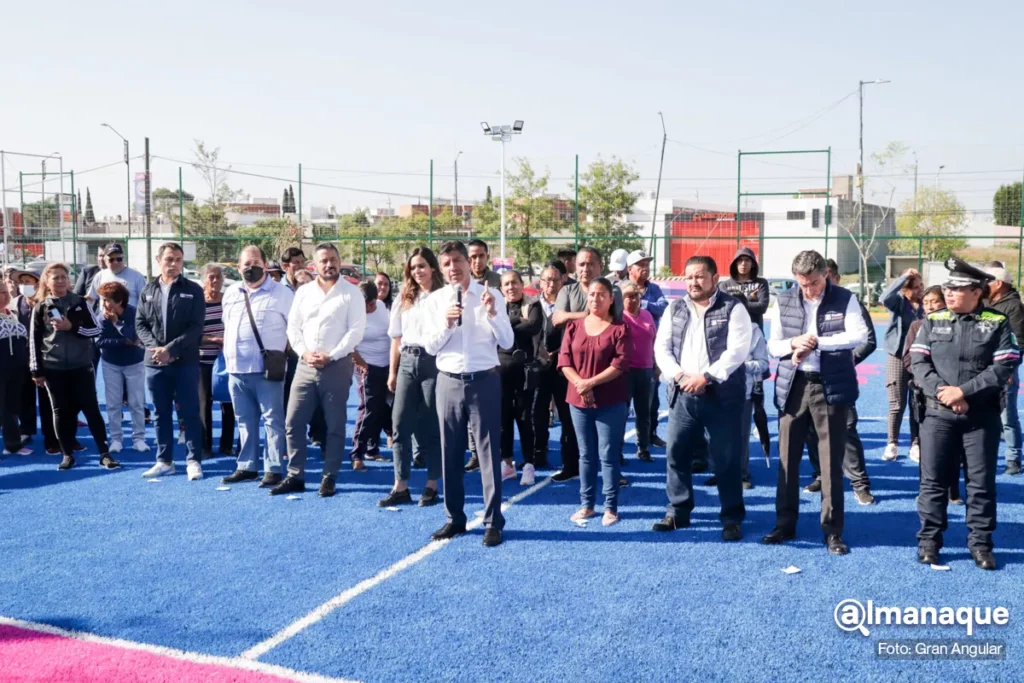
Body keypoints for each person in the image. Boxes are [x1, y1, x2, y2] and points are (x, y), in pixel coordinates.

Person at [909, 258, 1019, 570]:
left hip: (981, 417)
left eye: (957, 289)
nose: (950, 294)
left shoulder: (997, 322)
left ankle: (981, 545)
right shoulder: (933, 320)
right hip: (937, 415)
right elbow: (918, 363)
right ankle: (929, 542)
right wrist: (945, 392)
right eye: (947, 288)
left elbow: (1004, 366)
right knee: (932, 483)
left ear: (976, 292)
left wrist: (964, 391)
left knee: (981, 484)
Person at [763, 250, 868, 555]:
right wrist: (795, 343)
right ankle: (785, 524)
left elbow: (857, 335)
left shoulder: (845, 298)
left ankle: (833, 531)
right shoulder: (783, 300)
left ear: (826, 274)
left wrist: (817, 341)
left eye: (813, 282)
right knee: (787, 461)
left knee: (830, 463)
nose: (808, 289)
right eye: (802, 283)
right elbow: (774, 345)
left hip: (830, 387)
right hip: (794, 385)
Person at [651, 256, 752, 539]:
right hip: (683, 394)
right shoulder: (676, 307)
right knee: (677, 454)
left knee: (726, 460)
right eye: (689, 277)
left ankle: (731, 517)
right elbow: (662, 348)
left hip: (722, 395)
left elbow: (737, 351)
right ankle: (678, 512)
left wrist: (706, 377)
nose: (694, 282)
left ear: (714, 278)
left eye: (700, 276)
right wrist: (680, 377)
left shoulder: (733, 308)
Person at [422, 240, 514, 547]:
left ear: (468, 262)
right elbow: (431, 347)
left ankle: (492, 521)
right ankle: (455, 518)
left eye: (457, 261)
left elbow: (507, 340)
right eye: (446, 263)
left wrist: (491, 314)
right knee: (450, 452)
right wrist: (447, 323)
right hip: (448, 381)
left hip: (484, 381)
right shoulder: (434, 302)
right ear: (441, 268)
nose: (453, 268)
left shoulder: (492, 295)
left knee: (488, 454)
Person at [275, 242, 365, 498]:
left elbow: (355, 332)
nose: (329, 264)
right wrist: (304, 352)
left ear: (339, 260)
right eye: (324, 260)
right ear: (314, 265)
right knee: (293, 422)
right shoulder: (304, 293)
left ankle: (329, 477)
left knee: (334, 425)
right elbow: (293, 328)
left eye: (333, 259)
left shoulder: (352, 293)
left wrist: (332, 355)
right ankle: (295, 475)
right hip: (305, 365)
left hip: (336, 366)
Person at [802, 259, 877, 505]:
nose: (817, 287)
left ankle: (859, 483)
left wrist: (844, 360)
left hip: (838, 380)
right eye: (809, 282)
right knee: (811, 430)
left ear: (832, 277)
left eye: (823, 279)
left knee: (846, 430)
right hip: (808, 380)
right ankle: (821, 475)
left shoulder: (848, 302)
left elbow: (869, 340)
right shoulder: (803, 304)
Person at [29, 263, 117, 470]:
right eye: (55, 277)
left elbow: (95, 330)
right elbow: (33, 340)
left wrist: (72, 327)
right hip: (53, 367)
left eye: (63, 277)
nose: (60, 281)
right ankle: (67, 454)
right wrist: (36, 370)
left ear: (69, 281)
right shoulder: (40, 307)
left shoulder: (80, 303)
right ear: (47, 282)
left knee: (91, 409)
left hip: (81, 366)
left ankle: (104, 453)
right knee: (60, 411)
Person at [559, 278, 632, 526]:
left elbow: (620, 365)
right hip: (577, 401)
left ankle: (610, 507)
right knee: (586, 455)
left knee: (608, 455)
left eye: (601, 294)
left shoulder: (620, 329)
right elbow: (564, 360)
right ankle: (587, 505)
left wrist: (590, 383)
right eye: (591, 294)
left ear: (611, 299)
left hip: (610, 401)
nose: (595, 299)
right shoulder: (574, 327)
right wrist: (581, 384)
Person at [219, 246, 293, 487]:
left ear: (265, 264)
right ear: (238, 267)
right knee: (244, 420)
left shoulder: (281, 293)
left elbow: (295, 329)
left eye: (256, 262)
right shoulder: (230, 292)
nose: (251, 267)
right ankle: (247, 466)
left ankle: (272, 468)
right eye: (246, 263)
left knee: (273, 420)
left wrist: (283, 353)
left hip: (266, 370)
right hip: (236, 369)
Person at [378, 247, 445, 508]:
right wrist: (393, 372)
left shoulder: (442, 296)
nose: (417, 271)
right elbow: (396, 339)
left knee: (431, 425)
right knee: (400, 424)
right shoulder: (403, 299)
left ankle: (432, 484)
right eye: (413, 267)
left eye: (422, 266)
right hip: (407, 361)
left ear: (432, 268)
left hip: (433, 362)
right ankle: (401, 486)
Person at [551, 247, 624, 482]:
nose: (585, 268)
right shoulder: (567, 290)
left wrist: (575, 316)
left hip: (606, 370)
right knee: (571, 424)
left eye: (590, 264)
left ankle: (613, 472)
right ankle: (571, 466)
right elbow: (557, 318)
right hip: (572, 369)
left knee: (609, 428)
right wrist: (592, 314)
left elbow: (614, 320)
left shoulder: (615, 292)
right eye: (581, 264)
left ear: (600, 266)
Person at [136, 242, 207, 481]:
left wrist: (171, 349)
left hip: (184, 362)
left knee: (189, 412)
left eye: (178, 259)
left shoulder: (194, 290)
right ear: (159, 261)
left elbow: (196, 327)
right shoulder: (147, 290)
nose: (174, 264)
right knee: (160, 413)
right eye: (169, 259)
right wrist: (156, 349)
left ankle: (193, 460)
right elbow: (140, 324)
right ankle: (164, 460)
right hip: (155, 362)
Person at [903, 285, 963, 504]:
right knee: (926, 447)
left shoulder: (958, 325)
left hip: (954, 394)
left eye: (934, 301)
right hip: (925, 395)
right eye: (926, 302)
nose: (929, 306)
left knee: (955, 446)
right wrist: (930, 379)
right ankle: (926, 489)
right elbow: (908, 360)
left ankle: (953, 491)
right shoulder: (917, 326)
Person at [718, 246, 771, 458]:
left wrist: (741, 300)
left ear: (753, 263)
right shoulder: (724, 284)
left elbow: (762, 307)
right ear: (734, 263)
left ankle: (756, 421)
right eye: (739, 260)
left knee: (756, 384)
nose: (743, 264)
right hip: (729, 334)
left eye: (747, 260)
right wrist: (748, 300)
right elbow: (722, 306)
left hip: (752, 336)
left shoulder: (761, 283)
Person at [498, 270, 543, 485]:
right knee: (503, 419)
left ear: (521, 284)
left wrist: (507, 324)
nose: (510, 287)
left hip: (525, 371)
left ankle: (528, 464)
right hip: (500, 371)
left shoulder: (533, 304)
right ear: (501, 288)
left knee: (525, 418)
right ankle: (507, 464)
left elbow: (533, 326)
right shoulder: (497, 307)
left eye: (514, 283)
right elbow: (493, 331)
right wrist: (516, 320)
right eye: (506, 284)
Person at [95, 282, 148, 454]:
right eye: (102, 300)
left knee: (137, 402)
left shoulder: (135, 313)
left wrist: (117, 324)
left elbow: (136, 336)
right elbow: (99, 342)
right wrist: (124, 342)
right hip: (111, 364)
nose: (104, 304)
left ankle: (139, 438)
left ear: (119, 301)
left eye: (107, 300)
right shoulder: (102, 317)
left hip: (135, 363)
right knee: (113, 403)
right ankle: (116, 439)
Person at [879, 268, 925, 462]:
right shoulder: (899, 303)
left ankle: (916, 444)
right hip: (897, 356)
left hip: (919, 359)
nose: (921, 290)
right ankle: (892, 443)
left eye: (922, 285)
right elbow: (884, 297)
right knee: (897, 403)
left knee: (917, 402)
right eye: (916, 287)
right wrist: (904, 277)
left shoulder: (927, 306)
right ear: (906, 290)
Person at [625, 250, 670, 449]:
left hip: (650, 350)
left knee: (651, 399)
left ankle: (650, 435)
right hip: (625, 353)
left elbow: (663, 308)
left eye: (646, 264)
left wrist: (640, 302)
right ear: (629, 269)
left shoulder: (655, 289)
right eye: (640, 265)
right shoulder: (619, 288)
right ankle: (618, 443)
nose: (645, 268)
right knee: (622, 401)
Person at [982, 265, 1024, 475]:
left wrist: (1007, 369)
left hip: (1003, 370)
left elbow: (1019, 342)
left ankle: (1014, 459)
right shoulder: (985, 302)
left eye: (987, 281)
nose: (983, 285)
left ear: (998, 284)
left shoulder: (1014, 306)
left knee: (1008, 417)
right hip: (981, 369)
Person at [348, 280, 391, 472]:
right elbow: (348, 344)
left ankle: (373, 450)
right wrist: (361, 363)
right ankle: (357, 453)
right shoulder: (353, 314)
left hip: (387, 366)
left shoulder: (382, 307)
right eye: (366, 305)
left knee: (382, 408)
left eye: (372, 303)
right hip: (366, 367)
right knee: (368, 409)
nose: (370, 308)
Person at [198, 264, 235, 458]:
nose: (215, 281)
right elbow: (192, 334)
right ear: (204, 280)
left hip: (227, 359)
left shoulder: (228, 301)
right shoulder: (198, 304)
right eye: (211, 277)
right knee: (205, 402)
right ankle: (205, 446)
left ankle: (227, 445)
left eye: (218, 277)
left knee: (229, 403)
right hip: (204, 358)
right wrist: (214, 340)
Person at [531, 263, 566, 470]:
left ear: (562, 281)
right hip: (538, 366)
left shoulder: (566, 306)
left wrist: (558, 352)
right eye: (547, 280)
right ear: (540, 283)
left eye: (555, 280)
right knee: (538, 411)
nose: (551, 284)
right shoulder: (532, 304)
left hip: (562, 366)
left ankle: (568, 454)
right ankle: (539, 452)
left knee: (565, 411)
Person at [620, 281, 656, 462]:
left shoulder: (648, 315)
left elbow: (654, 341)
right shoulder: (619, 318)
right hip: (625, 372)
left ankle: (643, 448)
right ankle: (617, 451)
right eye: (628, 296)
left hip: (646, 370)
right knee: (621, 413)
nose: (632, 299)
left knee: (644, 413)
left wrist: (656, 366)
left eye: (635, 296)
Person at [10, 266, 42, 448]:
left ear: (37, 283)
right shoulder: (13, 304)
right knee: (24, 395)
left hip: (44, 356)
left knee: (49, 397)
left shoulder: (45, 303)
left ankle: (55, 434)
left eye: (28, 282)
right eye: (21, 283)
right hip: (21, 357)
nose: (24, 286)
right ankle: (26, 430)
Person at [0, 279, 30, 456]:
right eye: (0, 292)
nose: (5, 295)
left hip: (17, 369)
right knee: (5, 407)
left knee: (11, 406)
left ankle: (13, 443)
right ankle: (13, 444)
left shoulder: (13, 314)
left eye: (5, 291)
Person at [86, 243, 147, 308]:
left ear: (123, 259)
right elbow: (91, 298)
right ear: (105, 261)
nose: (116, 262)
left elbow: (145, 301)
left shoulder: (136, 277)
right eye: (111, 260)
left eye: (119, 259)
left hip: (129, 317)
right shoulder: (100, 276)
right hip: (105, 317)